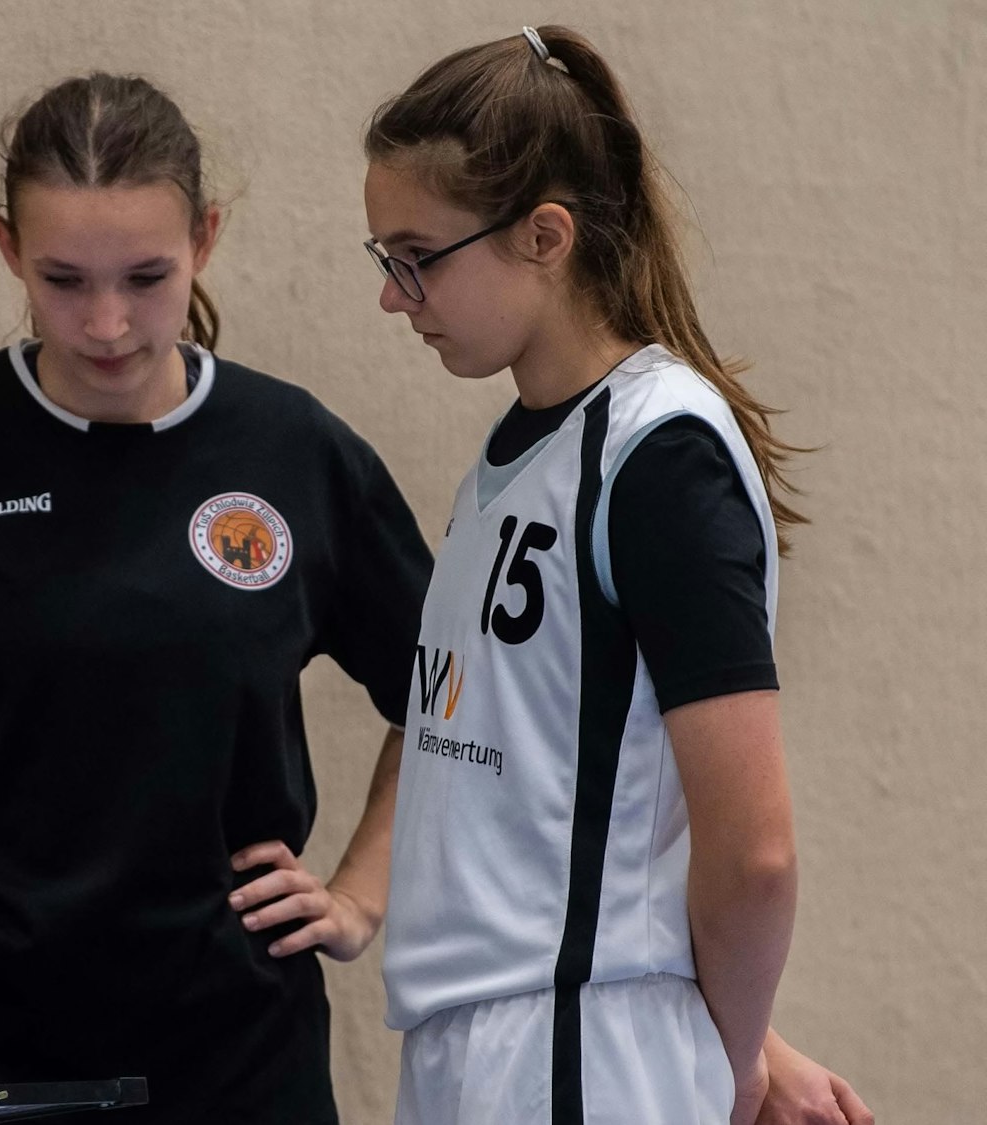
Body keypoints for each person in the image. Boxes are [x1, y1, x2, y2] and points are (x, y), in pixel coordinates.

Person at [0, 74, 433, 1124]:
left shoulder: (296, 455)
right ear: (8, 249)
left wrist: (357, 896)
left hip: (232, 1045)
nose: (106, 324)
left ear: (204, 235)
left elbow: (443, 699)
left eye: (145, 276)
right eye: (63, 279)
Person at [361, 27, 873, 1125]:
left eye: (417, 256)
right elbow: (563, 828)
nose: (394, 297)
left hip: (567, 1056)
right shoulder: (513, 459)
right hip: (485, 1044)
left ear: (543, 235)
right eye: (384, 261)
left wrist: (731, 1053)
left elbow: (755, 852)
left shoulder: (657, 455)